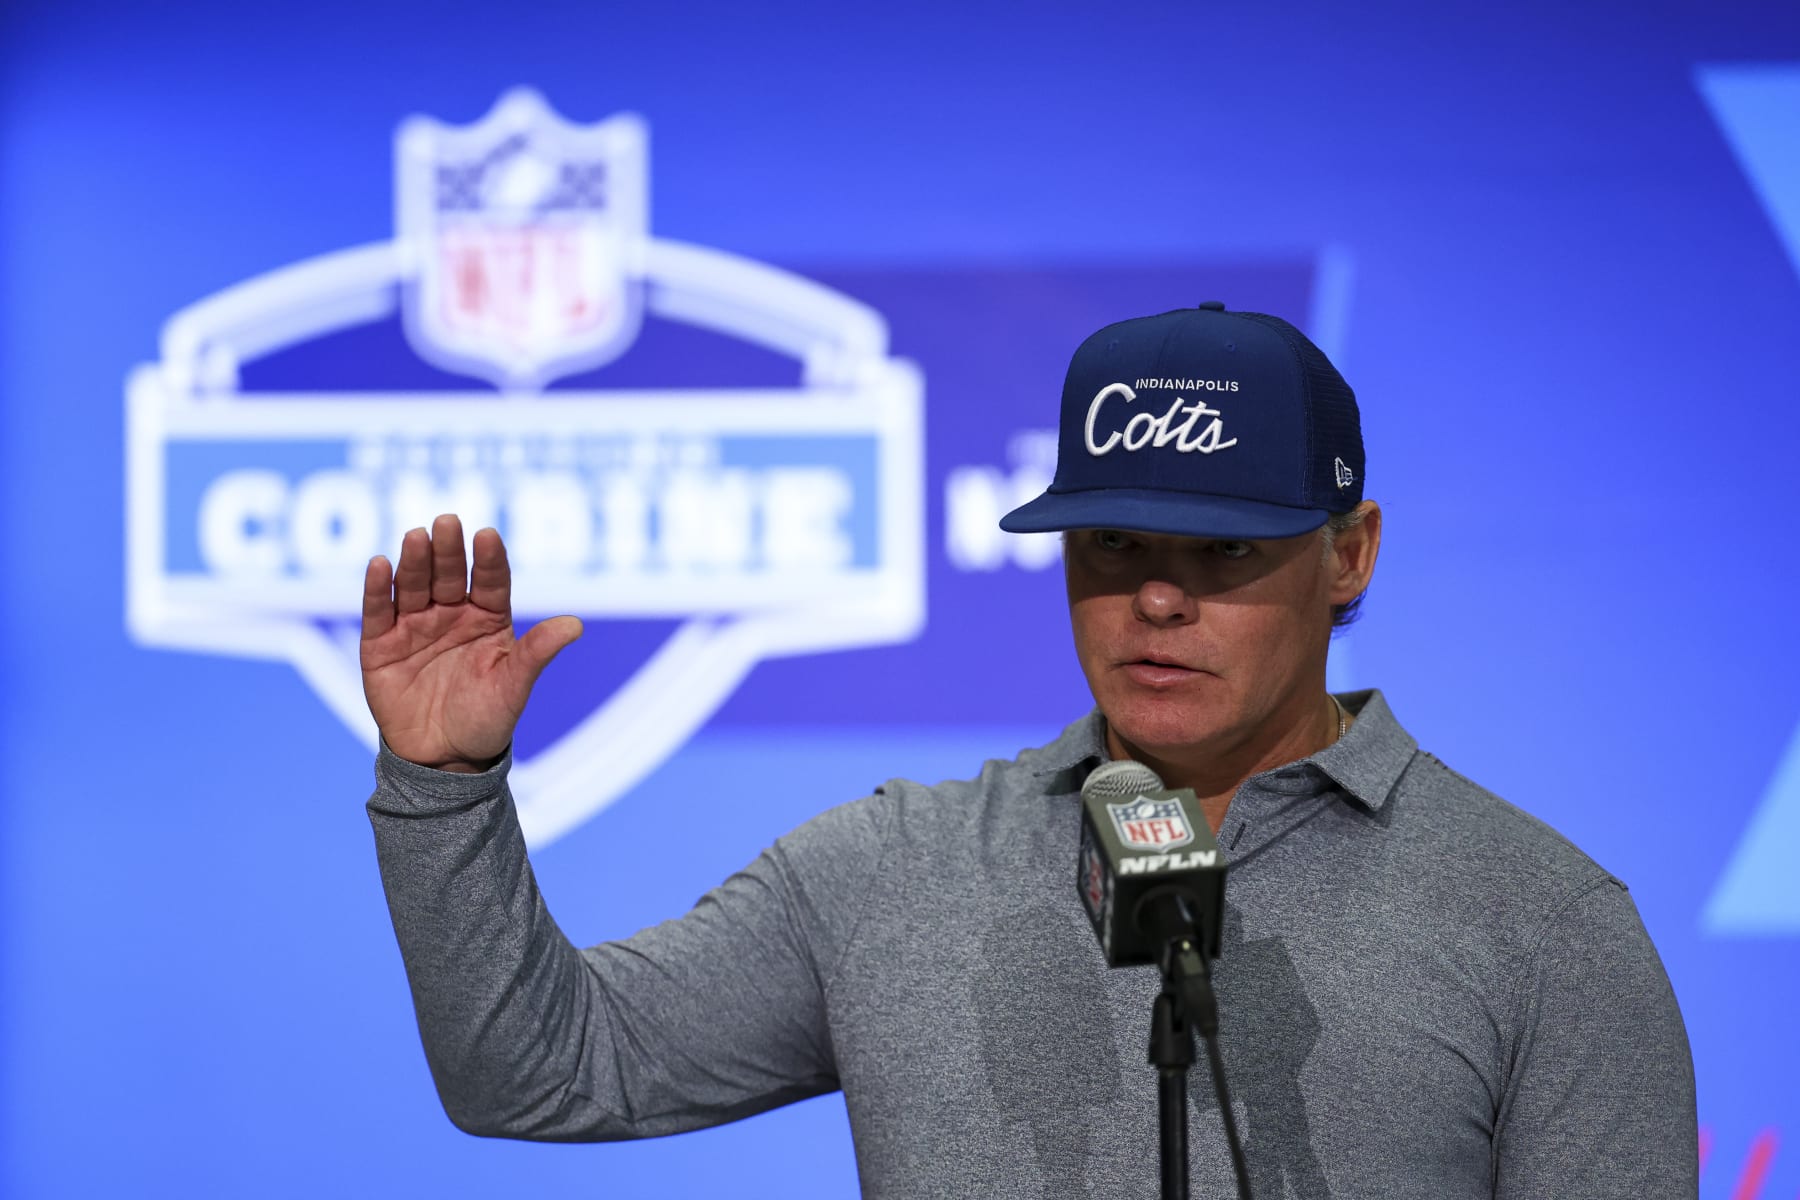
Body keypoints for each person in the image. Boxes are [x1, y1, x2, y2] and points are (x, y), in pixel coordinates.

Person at [361, 304, 1697, 1198]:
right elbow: (538, 1070)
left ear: (1348, 555)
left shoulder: (1543, 925)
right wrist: (447, 789)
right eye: (1115, 544)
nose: (1157, 600)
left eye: (1224, 551)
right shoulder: (892, 869)